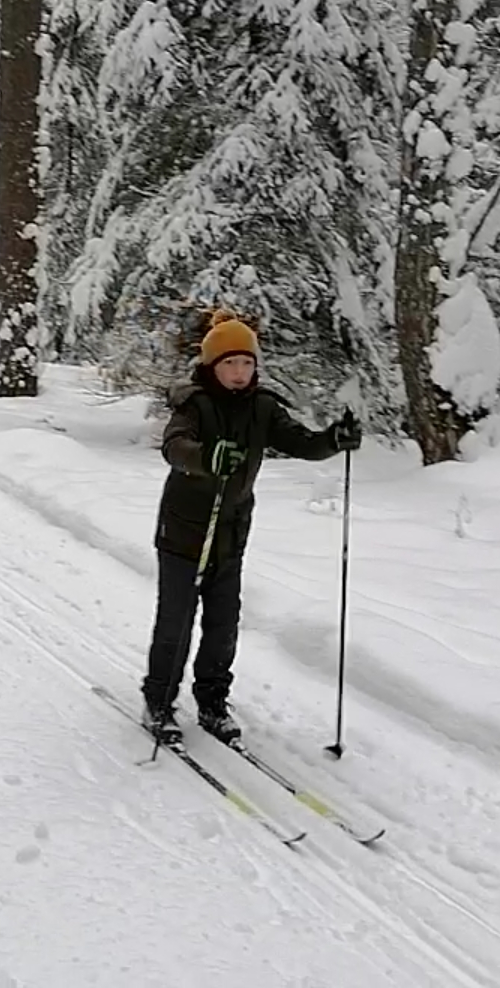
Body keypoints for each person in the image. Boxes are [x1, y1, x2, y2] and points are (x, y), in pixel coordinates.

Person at [142, 310, 362, 745]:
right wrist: (208, 458)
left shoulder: (263, 407)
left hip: (230, 535)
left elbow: (300, 441)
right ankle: (160, 702)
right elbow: (175, 446)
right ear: (211, 366)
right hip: (185, 534)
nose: (239, 373)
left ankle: (212, 701)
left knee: (223, 625)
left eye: (246, 363)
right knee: (177, 622)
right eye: (229, 364)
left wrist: (333, 439)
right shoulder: (194, 403)